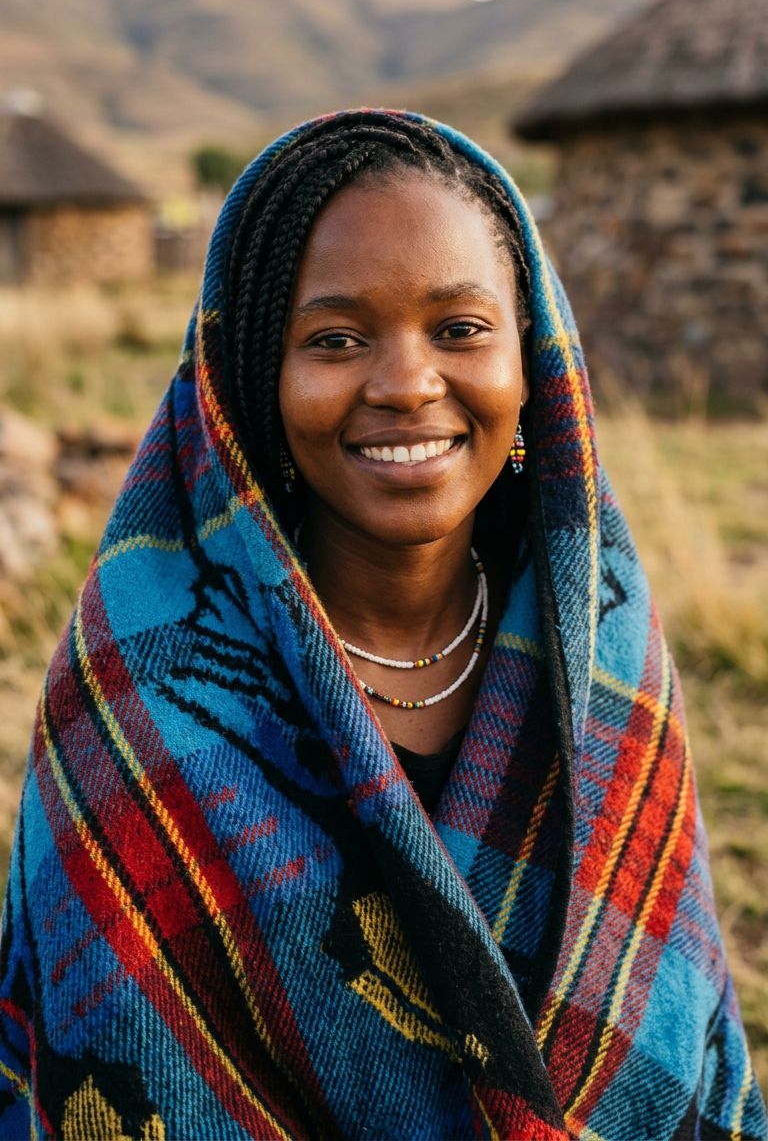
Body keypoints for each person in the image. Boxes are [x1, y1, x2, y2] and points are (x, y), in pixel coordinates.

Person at [0, 109, 764, 1141]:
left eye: (460, 329)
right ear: (246, 384)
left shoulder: (606, 655)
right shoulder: (138, 710)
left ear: (531, 359)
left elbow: (690, 1051)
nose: (408, 383)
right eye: (334, 338)